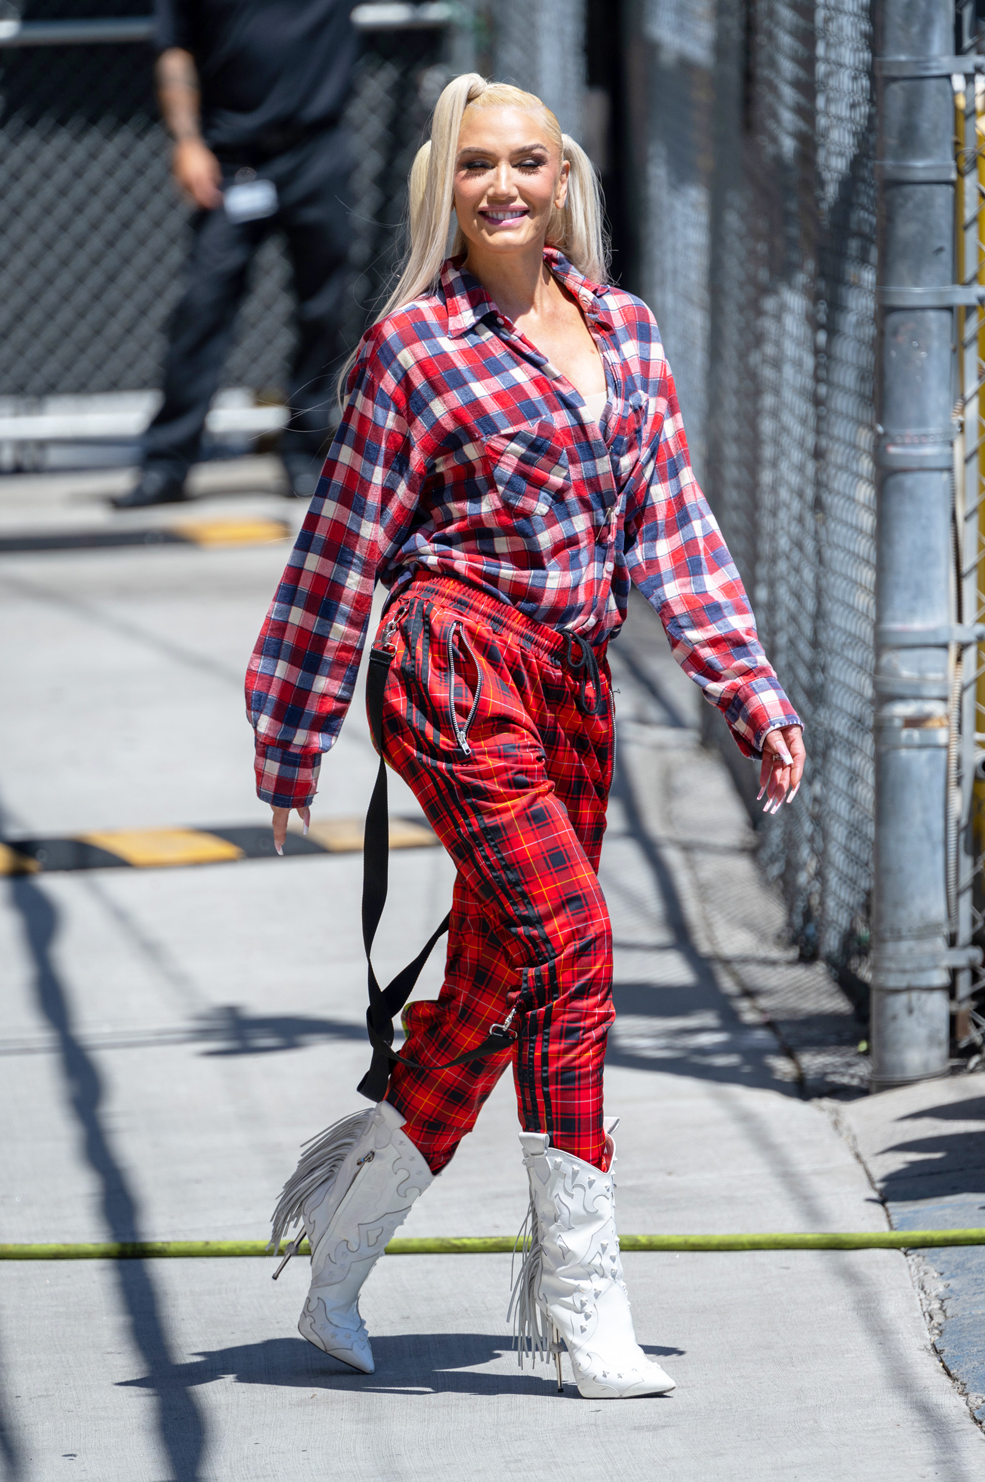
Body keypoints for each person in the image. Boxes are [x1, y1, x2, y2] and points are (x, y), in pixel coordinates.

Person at [246, 73, 806, 1398]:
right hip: (453, 662)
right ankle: (584, 1307)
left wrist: (752, 694)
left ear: (565, 180)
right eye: (482, 163)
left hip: (570, 683)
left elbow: (675, 531)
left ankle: (338, 1247)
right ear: (449, 181)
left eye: (531, 163)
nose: (507, 185)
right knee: (574, 939)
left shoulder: (623, 327)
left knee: (497, 992)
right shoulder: (413, 351)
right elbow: (340, 551)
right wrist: (291, 732)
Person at [114, 0, 360, 510]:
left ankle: (306, 453)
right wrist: (185, 141)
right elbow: (174, 46)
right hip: (230, 159)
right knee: (202, 308)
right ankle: (167, 462)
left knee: (324, 310)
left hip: (317, 151)